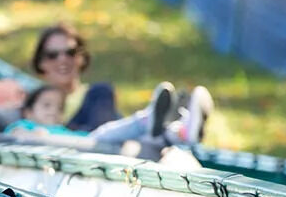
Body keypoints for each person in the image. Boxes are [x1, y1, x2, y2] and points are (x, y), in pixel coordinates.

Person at [31, 23, 212, 146]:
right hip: (83, 148)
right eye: (52, 55)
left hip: (105, 146)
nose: (62, 59)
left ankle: (174, 128)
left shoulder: (96, 95)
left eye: (70, 53)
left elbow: (105, 129)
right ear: (41, 62)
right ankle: (172, 127)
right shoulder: (33, 102)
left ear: (81, 58)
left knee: (103, 97)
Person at [3, 85, 74, 140]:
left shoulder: (64, 131)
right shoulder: (27, 125)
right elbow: (15, 133)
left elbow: (79, 138)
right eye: (47, 105)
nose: (54, 110)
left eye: (60, 108)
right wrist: (31, 134)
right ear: (29, 113)